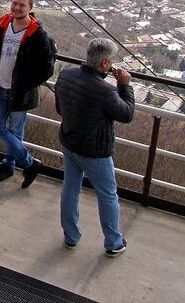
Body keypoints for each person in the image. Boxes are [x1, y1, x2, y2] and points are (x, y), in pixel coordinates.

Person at [55, 38, 135, 258]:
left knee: (70, 188)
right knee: (108, 195)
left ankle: (70, 235)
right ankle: (113, 242)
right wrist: (124, 86)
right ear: (105, 63)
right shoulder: (106, 91)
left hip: (69, 142)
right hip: (95, 151)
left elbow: (60, 109)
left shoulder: (66, 75)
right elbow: (126, 114)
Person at [0, 0, 54, 188]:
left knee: (15, 131)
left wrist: (26, 84)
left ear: (30, 8)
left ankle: (8, 165)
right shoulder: (3, 24)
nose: (17, 7)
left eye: (22, 5)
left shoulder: (37, 34)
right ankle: (29, 163)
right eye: (15, 3)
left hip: (19, 91)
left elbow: (46, 68)